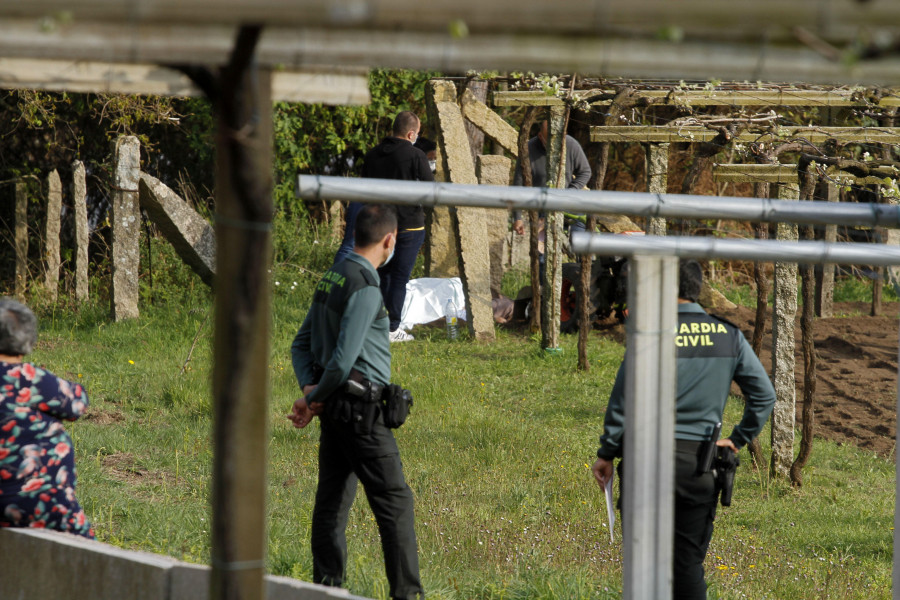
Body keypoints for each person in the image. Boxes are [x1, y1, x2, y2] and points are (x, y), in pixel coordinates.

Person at [591, 260, 775, 600]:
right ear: (696, 289)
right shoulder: (728, 336)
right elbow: (764, 395)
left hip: (645, 461)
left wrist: (606, 453)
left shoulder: (649, 333)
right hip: (698, 464)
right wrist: (736, 440)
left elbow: (622, 402)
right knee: (688, 565)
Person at [290, 204, 424, 600]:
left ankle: (326, 588)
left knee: (332, 504)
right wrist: (317, 397)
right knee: (394, 503)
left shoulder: (333, 276)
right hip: (362, 413)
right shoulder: (366, 285)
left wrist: (310, 391)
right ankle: (408, 595)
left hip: (335, 411)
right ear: (389, 240)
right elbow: (344, 359)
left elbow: (300, 344)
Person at [333, 112, 434, 343]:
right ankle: (392, 328)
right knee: (399, 277)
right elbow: (431, 193)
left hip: (381, 222)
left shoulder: (372, 155)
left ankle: (372, 321)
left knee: (377, 274)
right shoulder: (416, 155)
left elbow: (364, 190)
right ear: (411, 134)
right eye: (417, 134)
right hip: (409, 225)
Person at [0, 298, 93, 538]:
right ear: (28, 339)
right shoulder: (30, 378)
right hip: (45, 504)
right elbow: (76, 404)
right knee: (88, 554)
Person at [511, 120, 591, 236]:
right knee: (542, 249)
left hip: (570, 206)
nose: (554, 147)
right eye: (549, 142)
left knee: (580, 240)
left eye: (558, 142)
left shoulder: (571, 144)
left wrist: (570, 191)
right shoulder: (528, 150)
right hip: (542, 210)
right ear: (540, 136)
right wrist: (517, 218)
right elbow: (518, 185)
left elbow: (585, 172)